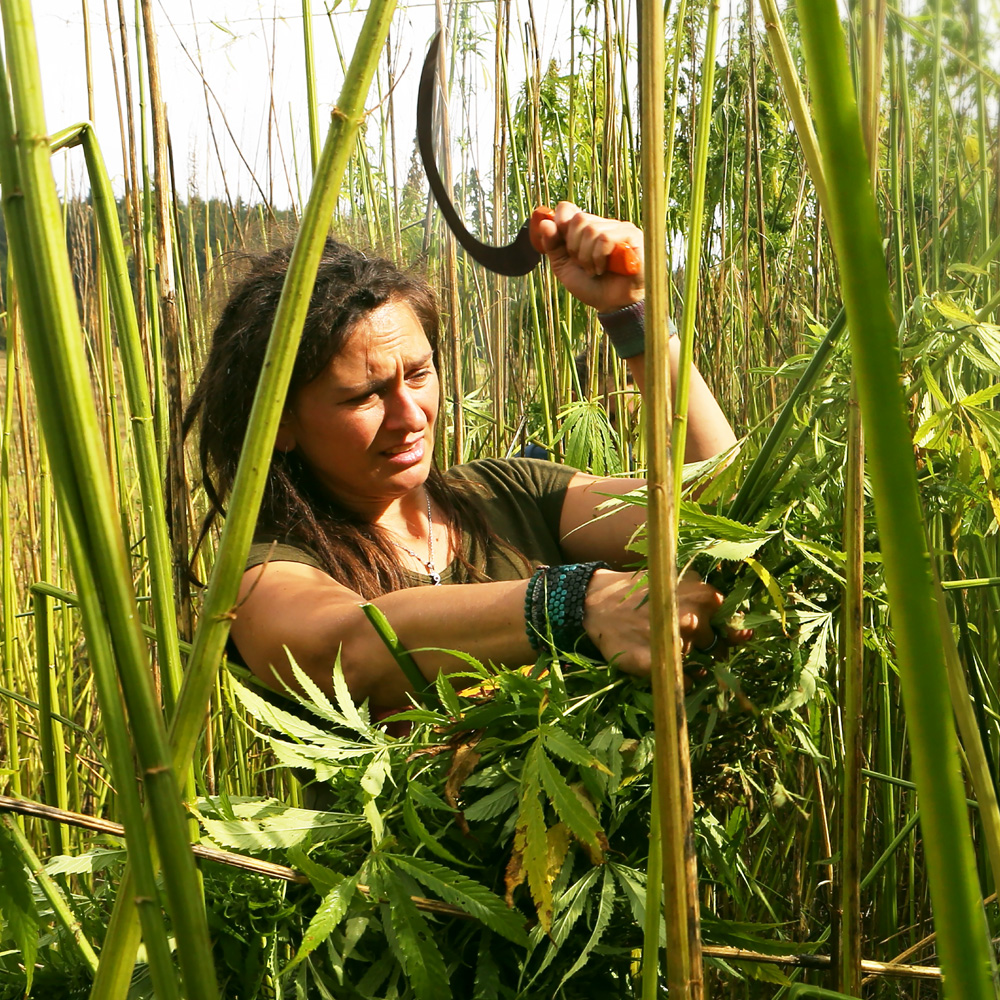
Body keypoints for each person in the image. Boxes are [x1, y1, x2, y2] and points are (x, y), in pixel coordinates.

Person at [185, 203, 749, 714]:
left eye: (418, 374)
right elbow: (350, 650)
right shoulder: (265, 575)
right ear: (280, 422)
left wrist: (634, 314)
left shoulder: (511, 494)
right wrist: (574, 602)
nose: (411, 416)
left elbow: (721, 514)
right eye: (365, 396)